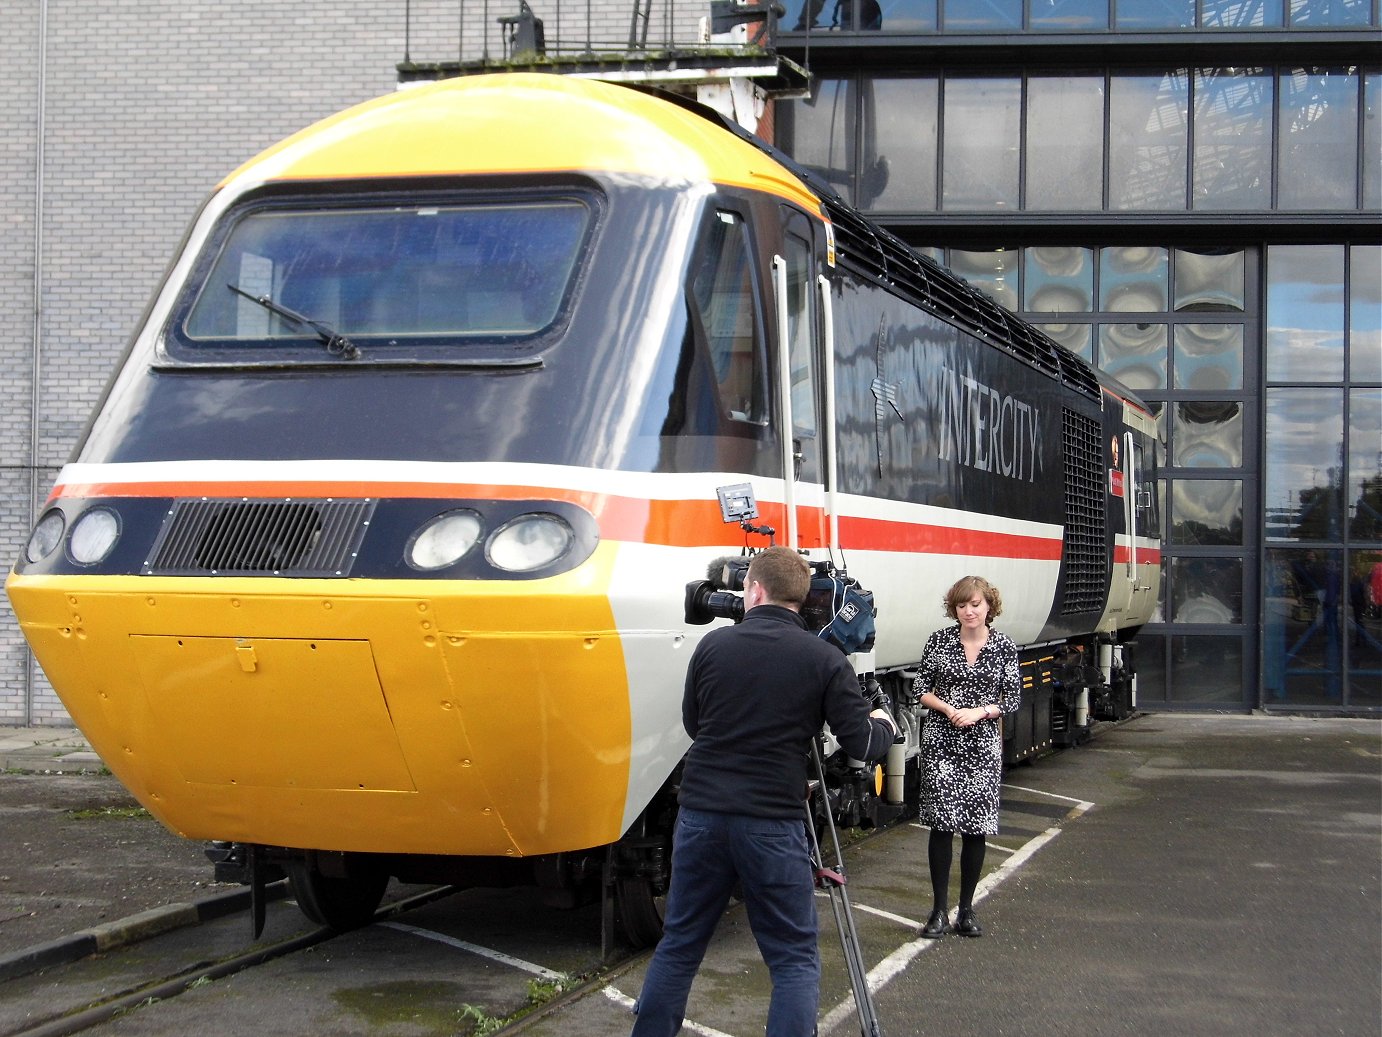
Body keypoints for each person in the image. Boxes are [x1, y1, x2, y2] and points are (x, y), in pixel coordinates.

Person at [630, 546, 897, 1037]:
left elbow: (695, 724)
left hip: (702, 816)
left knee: (680, 944)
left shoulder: (711, 648)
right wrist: (883, 722)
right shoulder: (824, 658)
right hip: (772, 823)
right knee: (793, 958)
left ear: (755, 590)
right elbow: (861, 742)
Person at [912, 575, 1020, 939]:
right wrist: (947, 707)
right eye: (961, 605)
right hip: (942, 741)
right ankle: (939, 911)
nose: (968, 611)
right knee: (941, 825)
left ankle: (968, 910)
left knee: (976, 827)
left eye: (975, 604)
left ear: (989, 606)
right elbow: (919, 688)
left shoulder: (1003, 646)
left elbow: (1012, 698)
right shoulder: (939, 641)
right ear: (954, 609)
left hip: (982, 743)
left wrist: (980, 712)